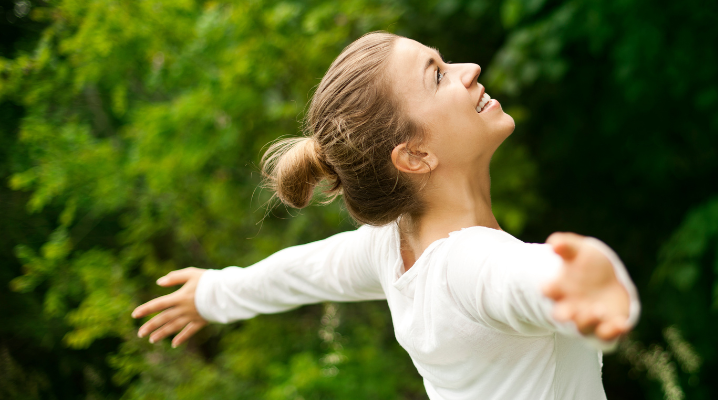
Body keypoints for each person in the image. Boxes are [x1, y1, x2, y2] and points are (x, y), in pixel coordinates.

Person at [131, 31, 640, 399]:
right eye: (438, 76)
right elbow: (518, 280)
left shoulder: (393, 248)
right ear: (414, 156)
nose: (470, 71)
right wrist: (575, 282)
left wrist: (215, 294)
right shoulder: (466, 265)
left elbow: (304, 271)